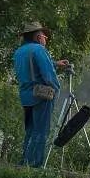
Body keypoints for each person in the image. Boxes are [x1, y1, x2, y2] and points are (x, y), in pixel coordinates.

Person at [13, 21, 69, 168]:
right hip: (41, 96)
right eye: (44, 36)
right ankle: (34, 167)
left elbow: (32, 65)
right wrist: (56, 90)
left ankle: (24, 163)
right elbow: (48, 76)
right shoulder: (39, 49)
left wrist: (56, 63)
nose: (46, 39)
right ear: (38, 37)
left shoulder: (19, 51)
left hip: (26, 96)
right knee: (41, 132)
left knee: (30, 131)